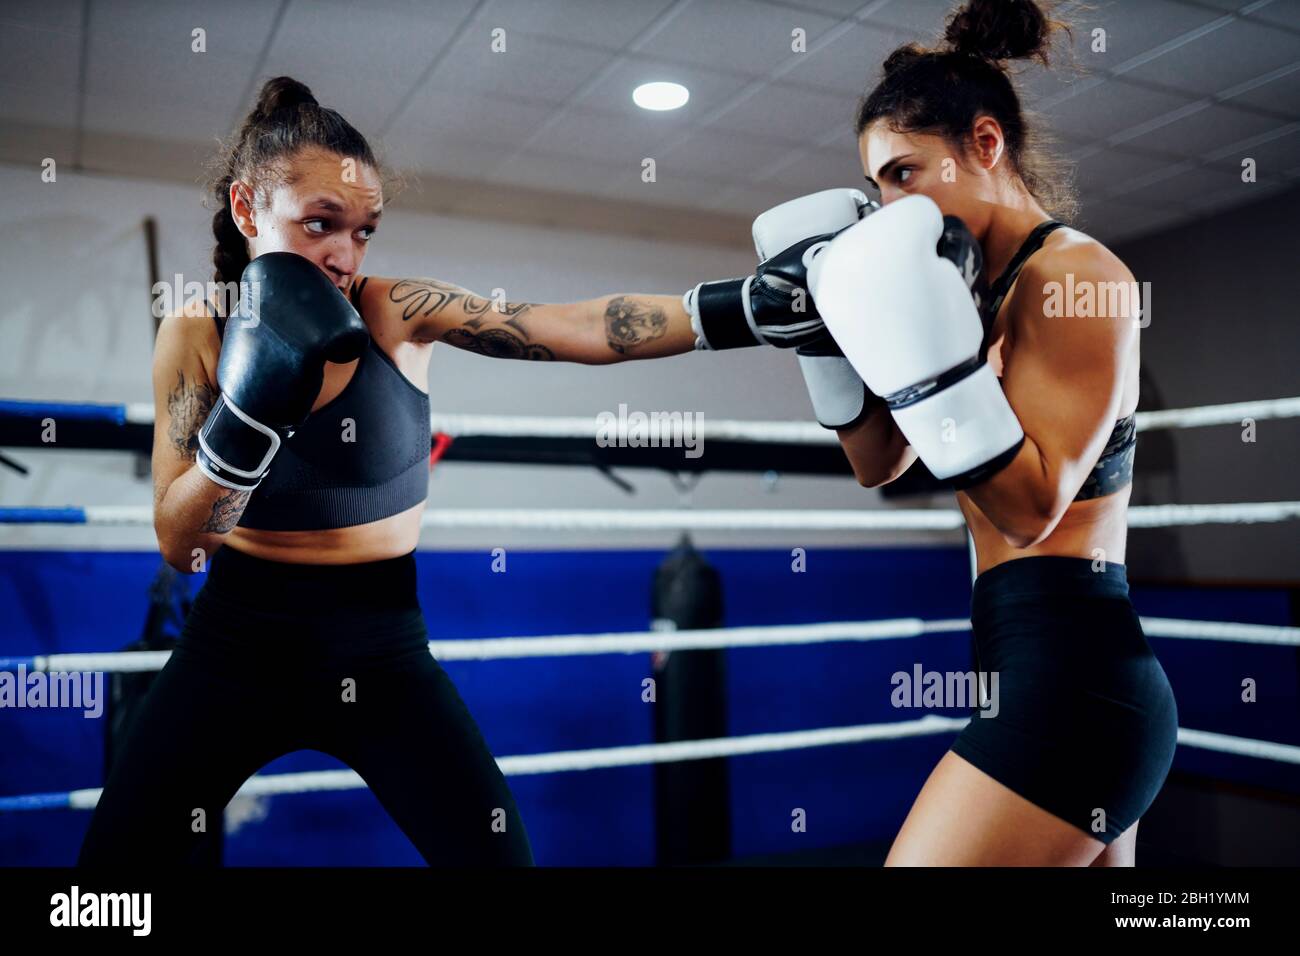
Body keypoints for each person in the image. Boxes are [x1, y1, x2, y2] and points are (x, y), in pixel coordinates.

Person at [77, 75, 846, 866]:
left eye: (365, 230)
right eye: (319, 224)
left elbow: (565, 325)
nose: (344, 254)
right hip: (235, 644)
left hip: (379, 649)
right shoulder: (197, 328)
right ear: (247, 211)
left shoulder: (397, 310)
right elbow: (183, 545)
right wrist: (247, 420)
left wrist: (741, 307)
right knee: (109, 877)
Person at [792, 0, 1177, 865]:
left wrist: (933, 364)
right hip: (1024, 665)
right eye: (876, 185)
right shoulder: (969, 292)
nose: (889, 204)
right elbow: (878, 463)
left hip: (1075, 681)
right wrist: (828, 343)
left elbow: (1032, 508)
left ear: (986, 144)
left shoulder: (1079, 276)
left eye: (905, 172)